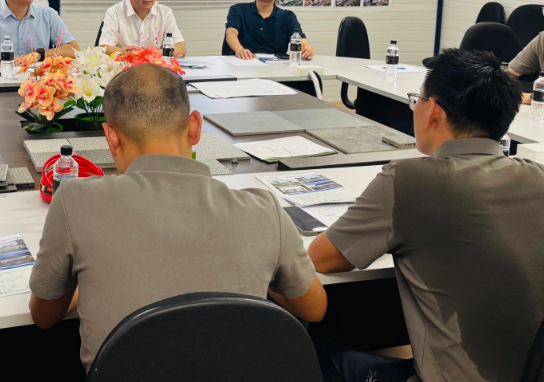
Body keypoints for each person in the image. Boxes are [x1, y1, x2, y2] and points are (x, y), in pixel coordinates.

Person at [28, 63, 327, 370]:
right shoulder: (264, 211)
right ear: (195, 127)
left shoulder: (75, 201)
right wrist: (261, 261)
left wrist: (90, 281)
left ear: (111, 138)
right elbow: (314, 308)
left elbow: (44, 316)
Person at [308, 48, 544, 382]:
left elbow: (321, 259)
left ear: (432, 110)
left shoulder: (409, 180)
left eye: (417, 100)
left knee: (307, 351)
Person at [225, 0, 315, 60]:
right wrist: (239, 50)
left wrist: (306, 47)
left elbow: (299, 38)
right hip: (244, 62)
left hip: (275, 66)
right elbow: (231, 33)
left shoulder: (287, 17)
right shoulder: (238, 10)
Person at [98, 0, 186, 58]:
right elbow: (104, 49)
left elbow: (180, 49)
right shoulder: (114, 13)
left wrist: (143, 53)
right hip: (125, 66)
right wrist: (137, 54)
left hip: (154, 66)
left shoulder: (165, 13)